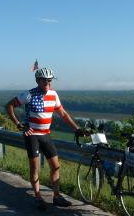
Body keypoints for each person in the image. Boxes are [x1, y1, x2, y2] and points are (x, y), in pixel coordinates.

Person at [5, 67, 82, 210]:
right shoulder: (29, 94)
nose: (47, 83)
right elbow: (9, 105)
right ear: (37, 81)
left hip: (46, 135)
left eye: (50, 80)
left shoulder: (53, 94)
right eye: (44, 81)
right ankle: (38, 198)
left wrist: (76, 129)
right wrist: (18, 124)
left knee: (56, 166)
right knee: (35, 168)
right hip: (32, 135)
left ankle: (57, 196)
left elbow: (63, 114)